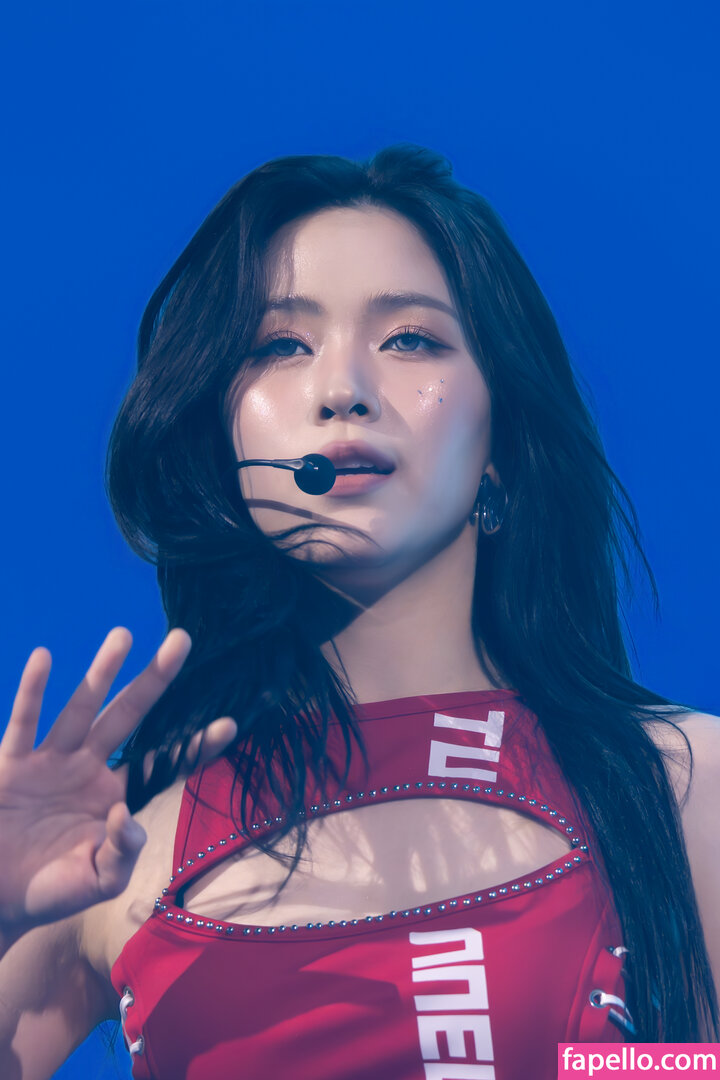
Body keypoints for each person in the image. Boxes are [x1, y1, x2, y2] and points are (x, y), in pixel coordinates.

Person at [1, 144, 718, 1080]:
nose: (341, 389)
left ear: (502, 447)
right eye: (280, 346)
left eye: (410, 339)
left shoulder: (679, 787)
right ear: (221, 440)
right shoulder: (117, 845)